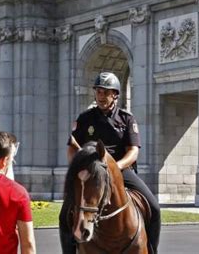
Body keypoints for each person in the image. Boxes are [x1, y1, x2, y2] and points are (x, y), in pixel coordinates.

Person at [59, 72, 161, 254]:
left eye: (106, 92)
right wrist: (77, 167)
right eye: (98, 92)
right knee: (65, 213)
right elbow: (72, 147)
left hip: (121, 170)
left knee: (154, 207)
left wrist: (115, 168)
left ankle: (151, 249)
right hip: (91, 172)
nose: (101, 96)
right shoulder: (85, 119)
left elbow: (133, 151)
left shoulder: (126, 119)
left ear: (115, 95)